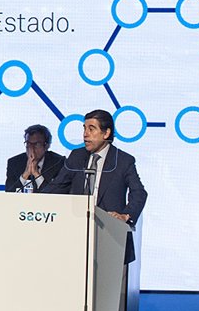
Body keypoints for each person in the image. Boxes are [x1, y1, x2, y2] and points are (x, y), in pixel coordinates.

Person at [58, 109, 147, 262]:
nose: (85, 134)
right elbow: (57, 186)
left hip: (111, 237)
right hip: (76, 236)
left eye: (91, 129)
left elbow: (139, 193)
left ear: (106, 133)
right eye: (84, 129)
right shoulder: (76, 156)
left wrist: (125, 216)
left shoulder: (123, 161)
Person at [4, 123, 66, 193]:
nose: (31, 148)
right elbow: (9, 193)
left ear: (47, 146)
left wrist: (36, 174)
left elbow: (56, 193)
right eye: (28, 144)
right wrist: (25, 174)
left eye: (37, 144)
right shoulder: (14, 163)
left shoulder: (58, 162)